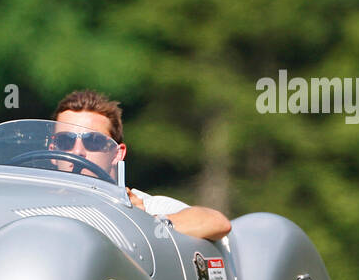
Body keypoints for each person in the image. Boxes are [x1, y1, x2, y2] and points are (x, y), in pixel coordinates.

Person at [52, 89, 231, 241]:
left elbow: (216, 222)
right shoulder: (30, 200)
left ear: (117, 154)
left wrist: (147, 222)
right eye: (65, 141)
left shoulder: (138, 205)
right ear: (52, 150)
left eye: (93, 141)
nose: (77, 152)